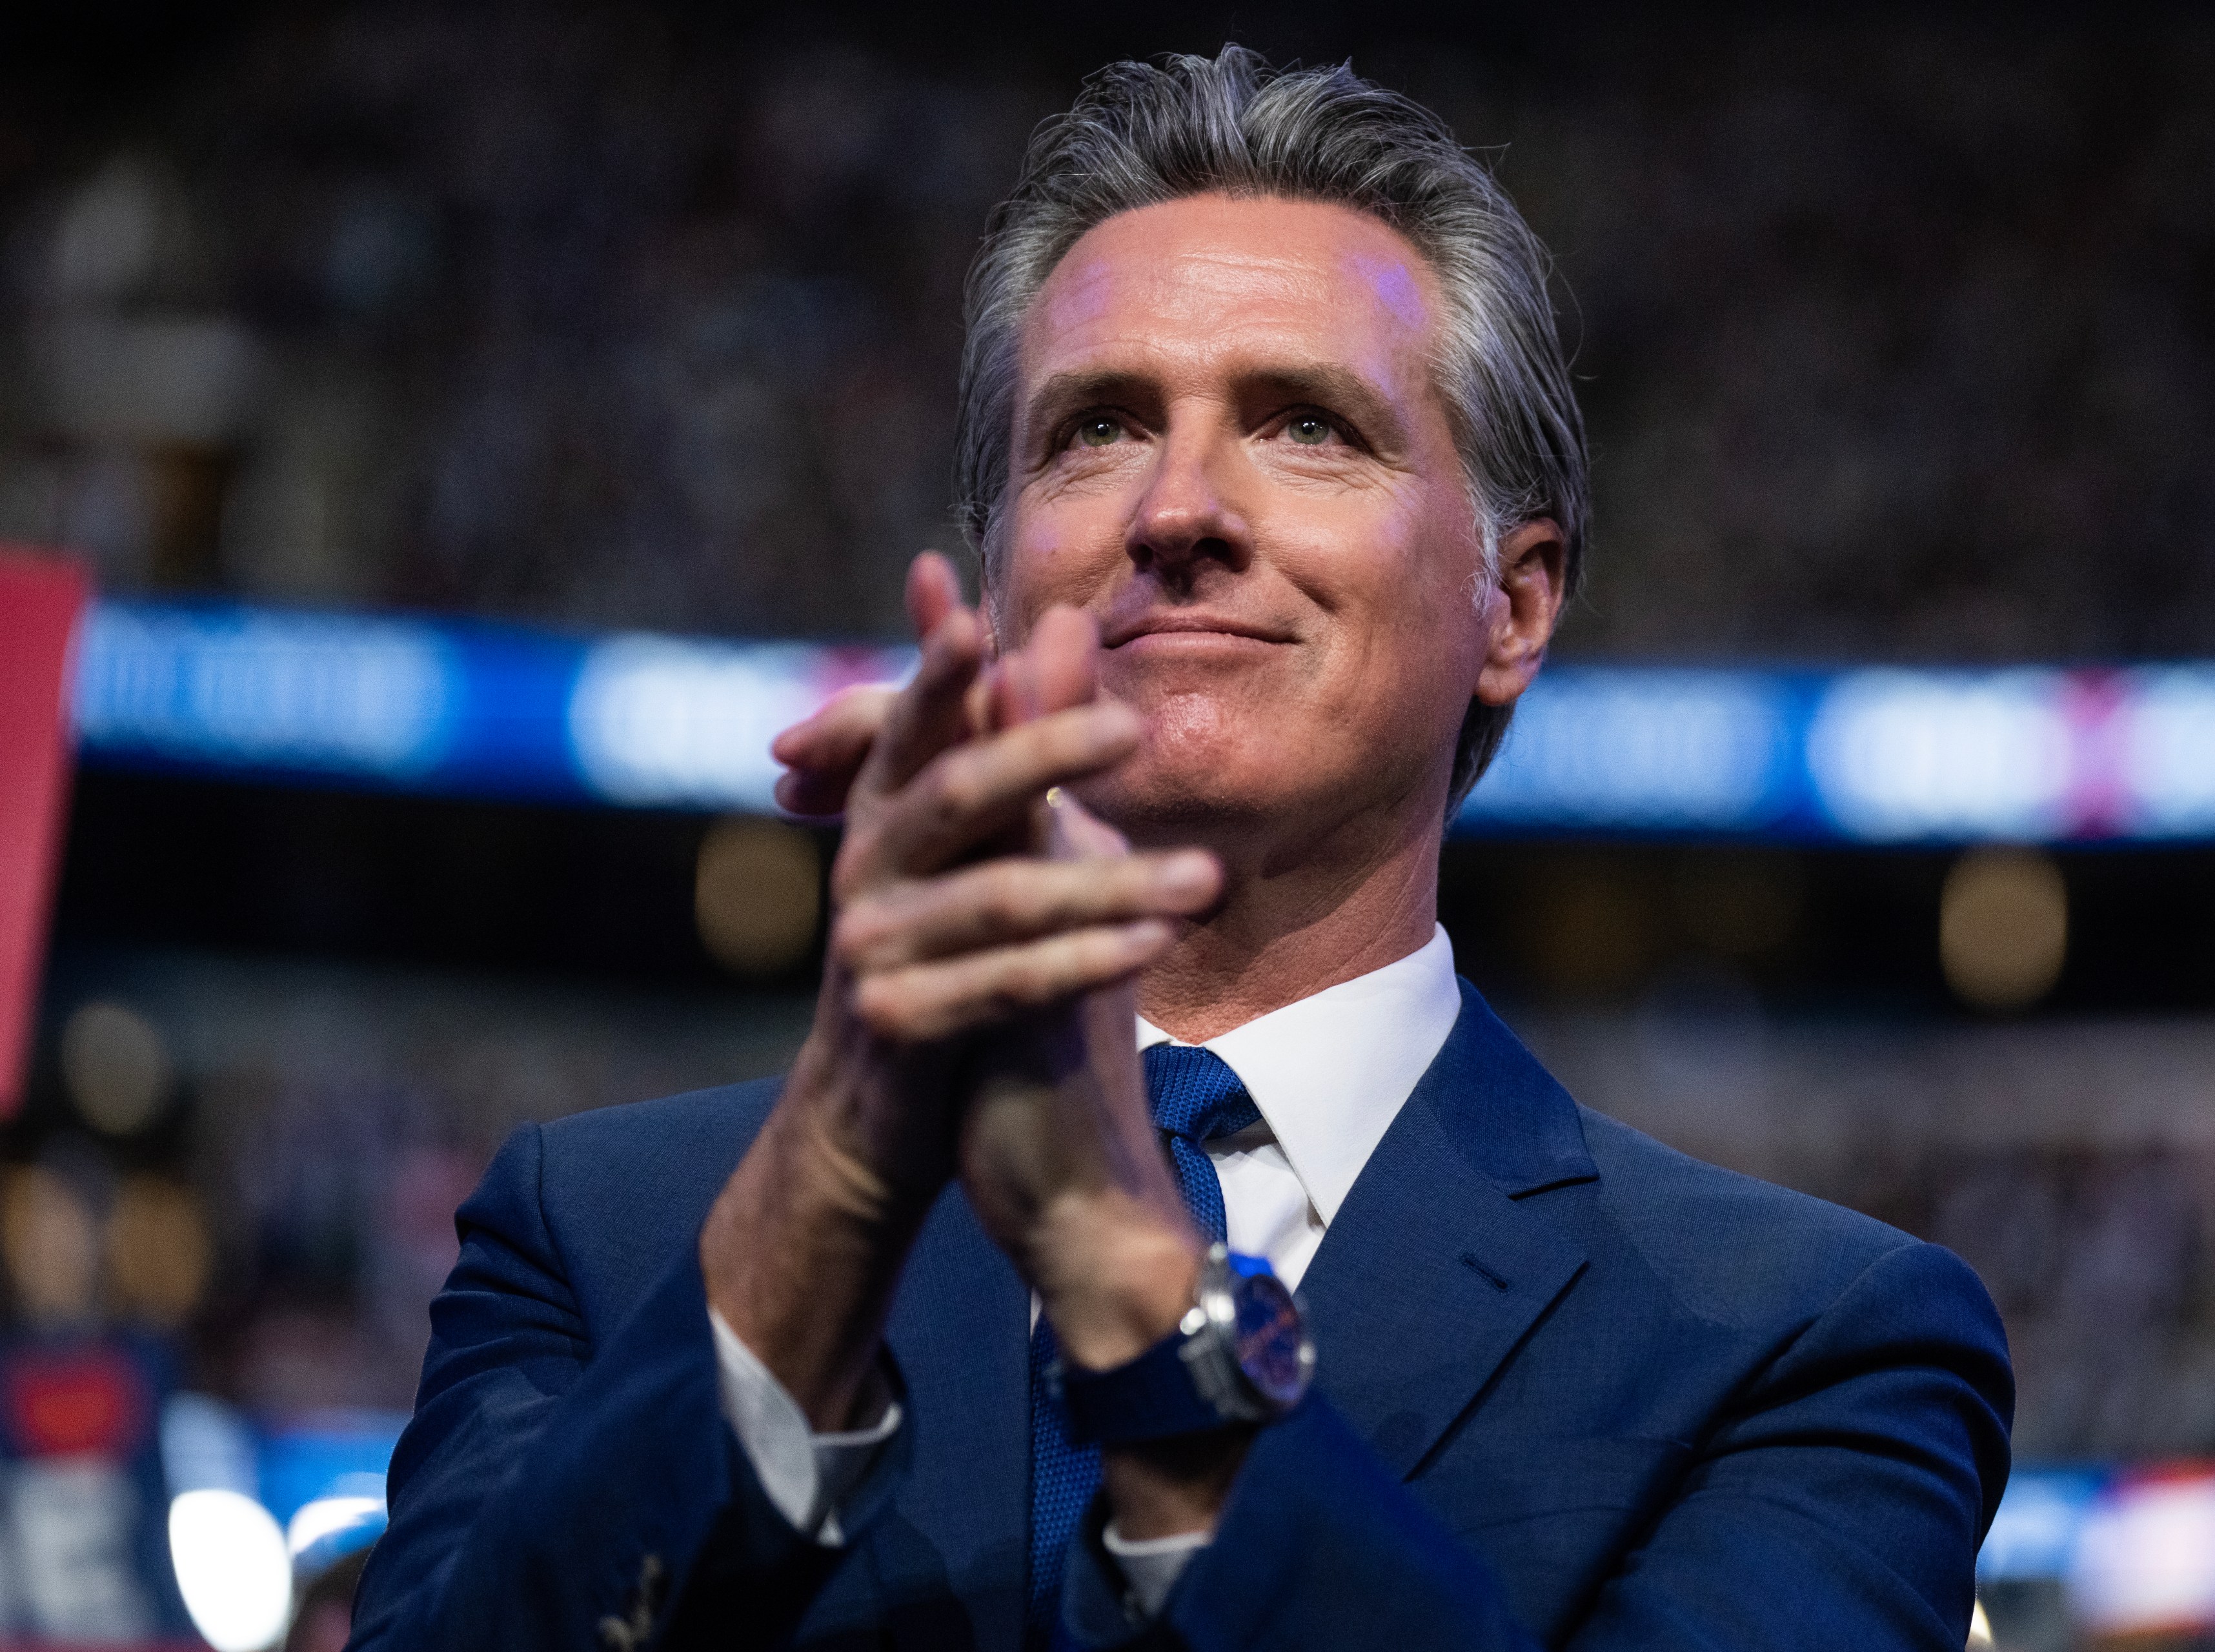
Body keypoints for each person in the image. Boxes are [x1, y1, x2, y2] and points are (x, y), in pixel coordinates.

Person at [346, 47, 2012, 1652]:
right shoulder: (604, 1237)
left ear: (1513, 605)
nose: (1179, 507)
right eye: (1095, 429)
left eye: (1306, 424)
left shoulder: (1804, 1345)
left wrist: (1137, 1285)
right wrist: (832, 1192)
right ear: (999, 582)